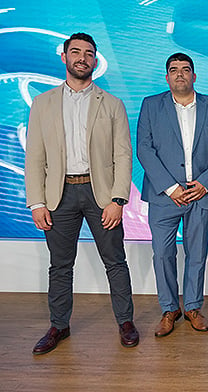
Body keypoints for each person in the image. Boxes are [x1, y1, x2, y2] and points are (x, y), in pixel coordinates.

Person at [25, 32, 138, 354]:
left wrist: (118, 200)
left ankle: (126, 322)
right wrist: (37, 202)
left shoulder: (112, 104)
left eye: (89, 54)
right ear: (64, 57)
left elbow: (122, 155)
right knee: (60, 265)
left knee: (115, 261)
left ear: (95, 60)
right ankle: (58, 326)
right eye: (76, 52)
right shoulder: (42, 103)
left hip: (100, 194)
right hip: (58, 196)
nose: (82, 58)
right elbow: (35, 155)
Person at [137, 53, 208, 337]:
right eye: (173, 70)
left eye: (185, 70)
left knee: (197, 253)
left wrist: (206, 182)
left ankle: (192, 306)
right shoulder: (151, 105)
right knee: (162, 254)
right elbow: (144, 149)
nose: (179, 75)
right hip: (165, 196)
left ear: (194, 76)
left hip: (201, 193)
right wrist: (171, 187)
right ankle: (168, 308)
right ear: (167, 77)